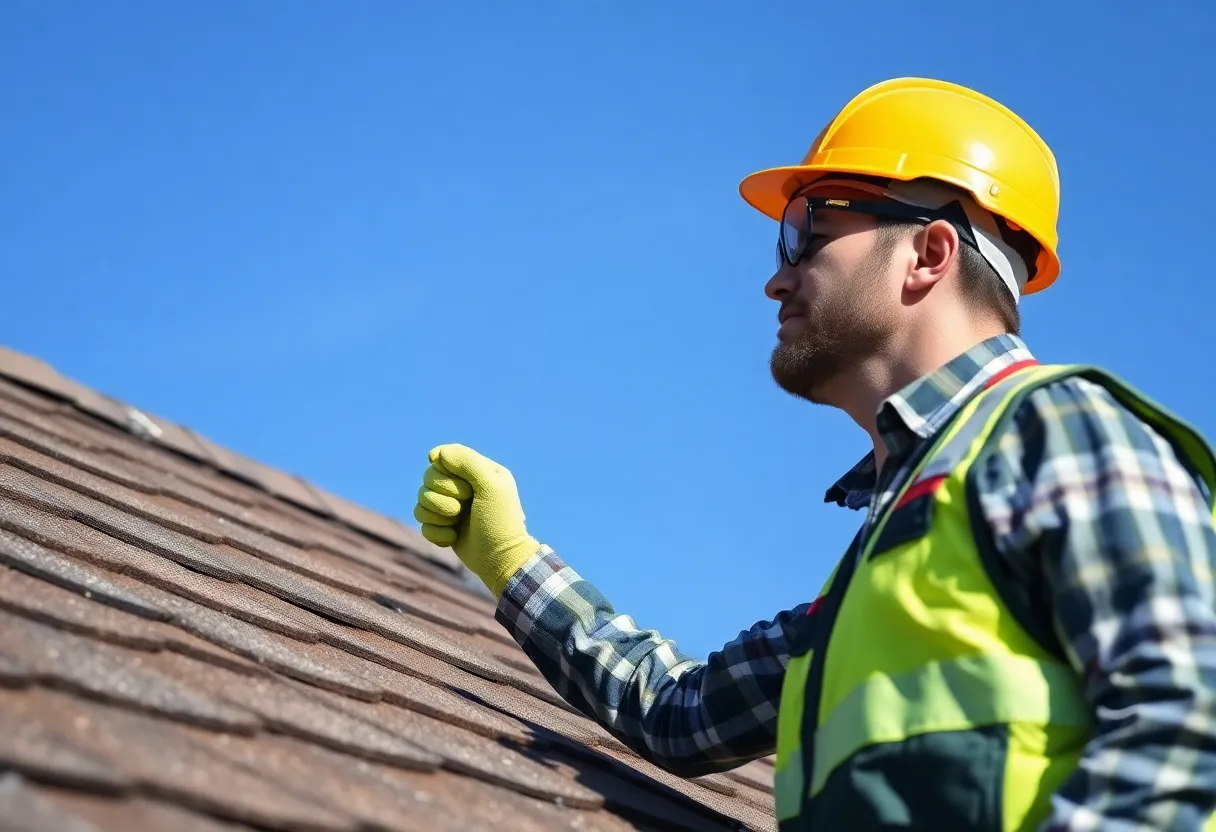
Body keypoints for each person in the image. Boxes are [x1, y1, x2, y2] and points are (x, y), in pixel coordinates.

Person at [412, 77, 1216, 831]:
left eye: (809, 234)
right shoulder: (878, 578)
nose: (778, 278)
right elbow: (682, 713)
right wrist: (511, 559)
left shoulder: (1056, 431)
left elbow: (1188, 721)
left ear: (930, 254)